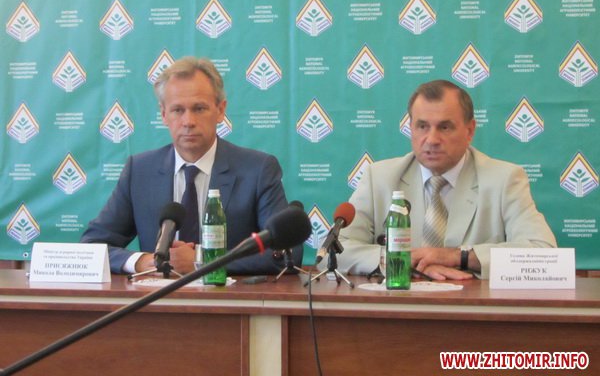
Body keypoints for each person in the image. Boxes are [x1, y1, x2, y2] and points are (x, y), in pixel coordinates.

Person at [81, 57, 301, 275]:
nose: (188, 121)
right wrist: (141, 262)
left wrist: (202, 260)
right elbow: (92, 246)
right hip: (158, 296)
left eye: (199, 108)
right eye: (178, 110)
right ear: (164, 114)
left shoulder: (257, 169)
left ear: (220, 110)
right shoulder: (139, 171)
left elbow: (286, 252)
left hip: (227, 296)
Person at [336, 80, 557, 280]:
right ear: (411, 128)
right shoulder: (379, 178)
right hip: (399, 305)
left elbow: (543, 253)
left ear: (470, 131)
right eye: (422, 126)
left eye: (444, 127)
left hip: (472, 306)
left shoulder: (504, 180)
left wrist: (457, 257)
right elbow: (335, 250)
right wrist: (405, 262)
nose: (432, 139)